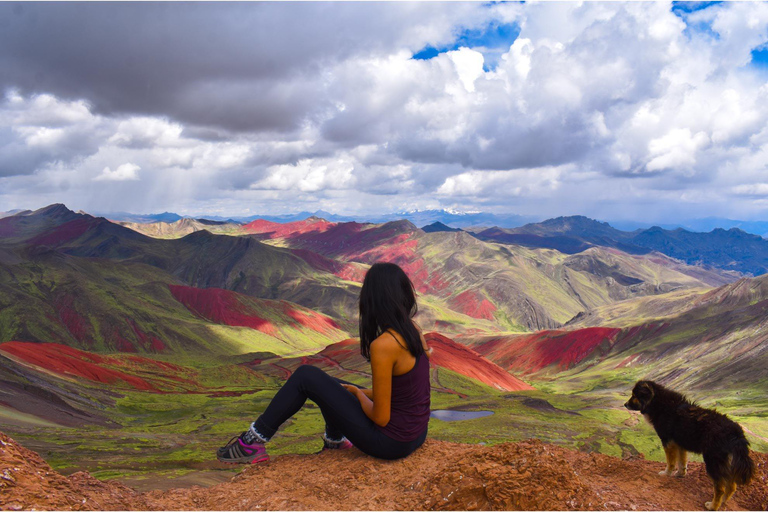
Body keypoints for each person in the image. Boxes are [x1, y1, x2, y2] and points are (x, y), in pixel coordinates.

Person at [216, 262, 432, 463]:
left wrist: (358, 394)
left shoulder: (384, 345)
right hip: (416, 435)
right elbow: (402, 394)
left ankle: (251, 443)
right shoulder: (413, 329)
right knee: (332, 385)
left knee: (305, 376)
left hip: (390, 443)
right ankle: (335, 441)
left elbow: (381, 418)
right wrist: (352, 392)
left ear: (373, 300)